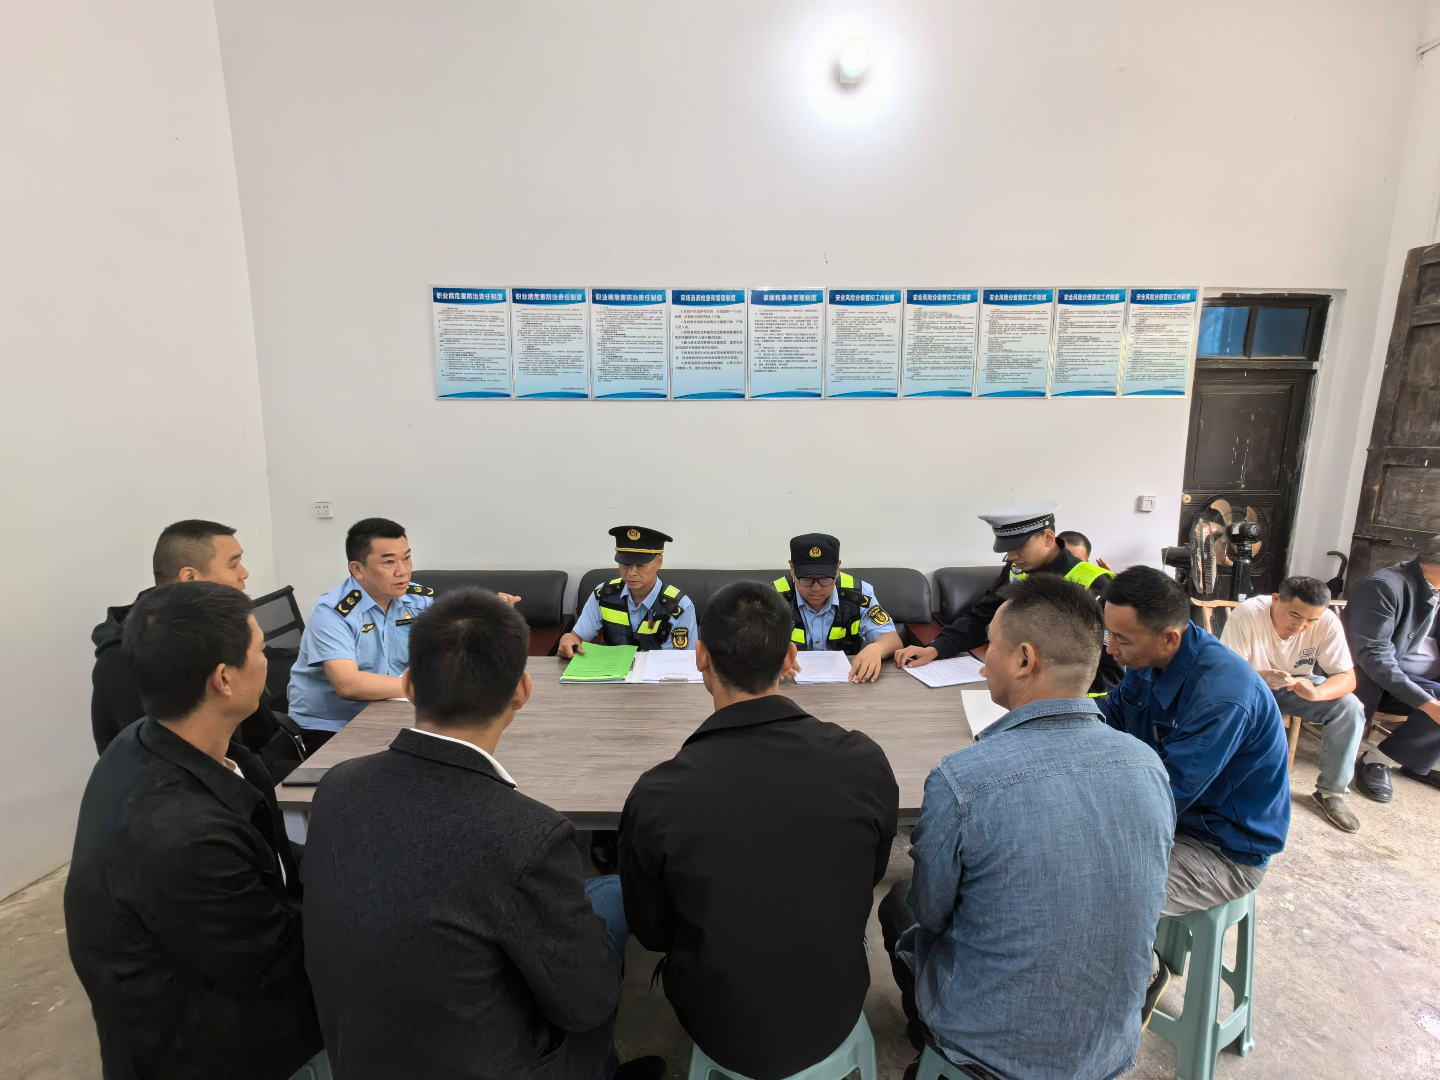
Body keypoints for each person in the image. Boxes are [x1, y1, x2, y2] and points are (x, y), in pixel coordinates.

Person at [302, 588, 662, 1080]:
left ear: (408, 685)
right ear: (522, 690)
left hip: (358, 1056)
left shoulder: (335, 786)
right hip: (499, 1064)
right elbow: (586, 1004)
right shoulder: (529, 832)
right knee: (615, 896)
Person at [880, 575, 1174, 1080]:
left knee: (900, 901)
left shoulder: (963, 779)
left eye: (988, 647)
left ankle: (933, 1052)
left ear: (1023, 659)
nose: (981, 663)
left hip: (992, 1046)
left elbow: (931, 913)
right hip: (1110, 1044)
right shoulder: (1148, 764)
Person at [618, 581, 898, 1080]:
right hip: (835, 1006)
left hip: (720, 1025)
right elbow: (870, 874)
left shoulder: (658, 794)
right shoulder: (863, 760)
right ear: (791, 656)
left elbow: (653, 931)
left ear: (700, 657)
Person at [65, 582, 324, 1080]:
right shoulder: (184, 836)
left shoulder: (154, 740)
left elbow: (272, 874)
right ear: (224, 679)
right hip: (208, 1051)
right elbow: (277, 963)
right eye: (261, 649)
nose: (269, 660)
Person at [1098, 566, 1290, 917]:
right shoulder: (1149, 659)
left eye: (1122, 639)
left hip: (1219, 846)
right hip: (1173, 818)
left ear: (1170, 638)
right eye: (1109, 634)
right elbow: (1110, 717)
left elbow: (1167, 794)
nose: (1110, 649)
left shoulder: (1222, 697)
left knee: (1100, 904)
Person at [90, 519, 303, 779]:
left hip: (246, 767)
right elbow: (169, 765)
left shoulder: (208, 629)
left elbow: (260, 732)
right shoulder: (131, 658)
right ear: (190, 578)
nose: (244, 573)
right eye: (233, 564)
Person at [894, 502, 1121, 694]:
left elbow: (1111, 669)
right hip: (1017, 688)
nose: (1012, 557)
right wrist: (936, 648)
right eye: (1007, 550)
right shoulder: (1016, 570)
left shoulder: (1095, 585)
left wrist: (1044, 691)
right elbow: (982, 616)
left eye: (1019, 547)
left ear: (1048, 537)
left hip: (1077, 701)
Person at [288, 518, 454, 752]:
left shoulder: (417, 600)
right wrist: (427, 688)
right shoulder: (333, 613)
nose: (403, 571)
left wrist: (493, 616)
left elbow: (451, 647)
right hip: (332, 725)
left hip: (393, 711)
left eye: (407, 558)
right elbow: (348, 685)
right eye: (389, 562)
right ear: (357, 569)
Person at [1220, 575, 1365, 832]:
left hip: (1296, 684)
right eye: (1294, 615)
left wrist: (1317, 694)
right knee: (1227, 705)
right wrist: (1261, 677)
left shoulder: (1327, 621)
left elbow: (1346, 677)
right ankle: (1225, 785)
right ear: (1276, 600)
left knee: (1350, 707)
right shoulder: (1248, 614)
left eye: (1311, 621)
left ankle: (1331, 792)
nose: (1300, 626)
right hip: (1247, 683)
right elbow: (1226, 673)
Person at [1345, 539, 1440, 802]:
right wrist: (1427, 703)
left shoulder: (1436, 588)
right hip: (1380, 683)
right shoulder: (1383, 587)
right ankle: (1377, 759)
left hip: (1428, 678)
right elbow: (1374, 657)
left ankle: (1419, 762)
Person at [772, 532, 901, 682]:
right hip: (789, 681)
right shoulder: (771, 597)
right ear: (792, 569)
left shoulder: (858, 594)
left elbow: (892, 639)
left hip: (848, 682)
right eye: (806, 579)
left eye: (825, 579)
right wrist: (771, 654)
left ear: (838, 568)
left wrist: (877, 649)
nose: (816, 588)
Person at [558, 526, 696, 658]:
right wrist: (569, 639)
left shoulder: (679, 606)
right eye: (625, 564)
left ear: (659, 561)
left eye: (640, 565)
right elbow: (577, 637)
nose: (631, 573)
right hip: (610, 670)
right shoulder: (604, 595)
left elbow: (682, 659)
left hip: (657, 672)